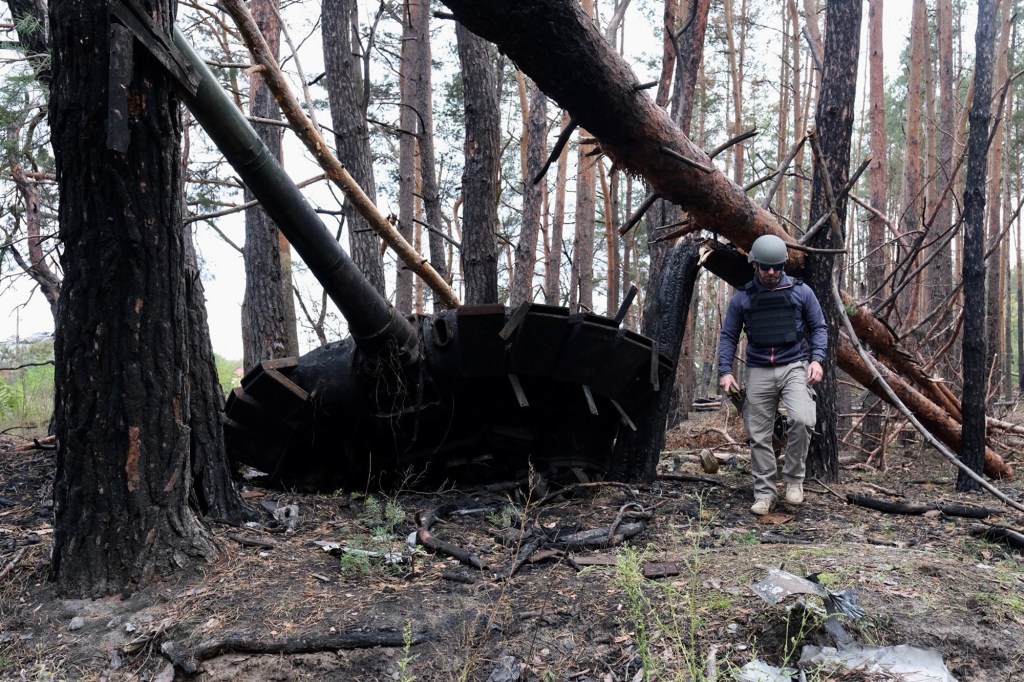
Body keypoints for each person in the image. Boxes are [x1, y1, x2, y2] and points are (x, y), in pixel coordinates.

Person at [718, 234, 828, 516]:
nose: (771, 272)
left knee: (803, 419)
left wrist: (817, 360)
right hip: (758, 369)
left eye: (776, 266)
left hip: (794, 365)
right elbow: (729, 335)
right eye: (765, 266)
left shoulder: (801, 292)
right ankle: (765, 492)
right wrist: (725, 371)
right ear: (755, 265)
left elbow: (819, 327)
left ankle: (793, 481)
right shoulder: (743, 298)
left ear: (783, 266)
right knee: (759, 434)